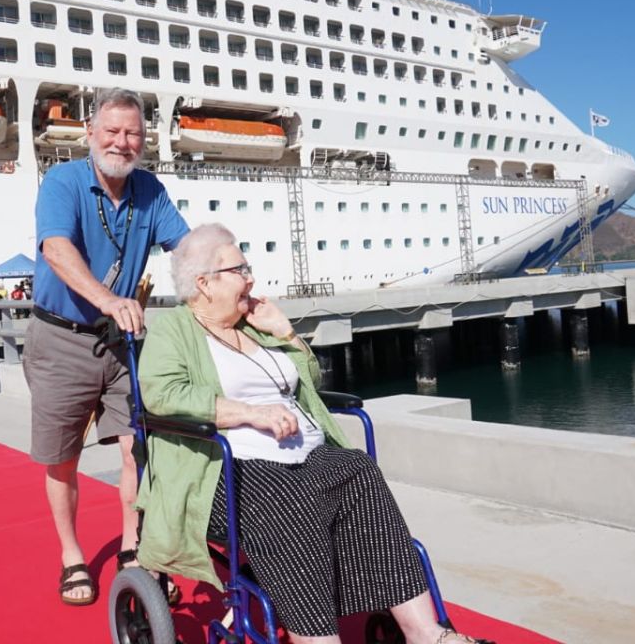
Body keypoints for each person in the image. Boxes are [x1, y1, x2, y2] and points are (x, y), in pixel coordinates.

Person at [135, 224, 478, 644]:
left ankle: (426, 633)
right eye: (240, 268)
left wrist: (285, 332)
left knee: (357, 470)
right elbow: (162, 393)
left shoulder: (253, 323)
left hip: (304, 454)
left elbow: (309, 382)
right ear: (205, 283)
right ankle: (316, 637)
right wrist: (248, 412)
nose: (251, 278)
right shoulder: (175, 327)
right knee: (290, 500)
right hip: (227, 469)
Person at [25, 87, 189, 606]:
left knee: (136, 447)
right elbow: (56, 248)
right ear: (91, 133)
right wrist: (107, 298)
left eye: (133, 133)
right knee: (62, 459)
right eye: (113, 131)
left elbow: (187, 249)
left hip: (121, 344)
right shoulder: (62, 181)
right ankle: (72, 554)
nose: (122, 142)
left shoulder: (149, 190)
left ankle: (133, 546)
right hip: (60, 338)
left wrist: (228, 275)